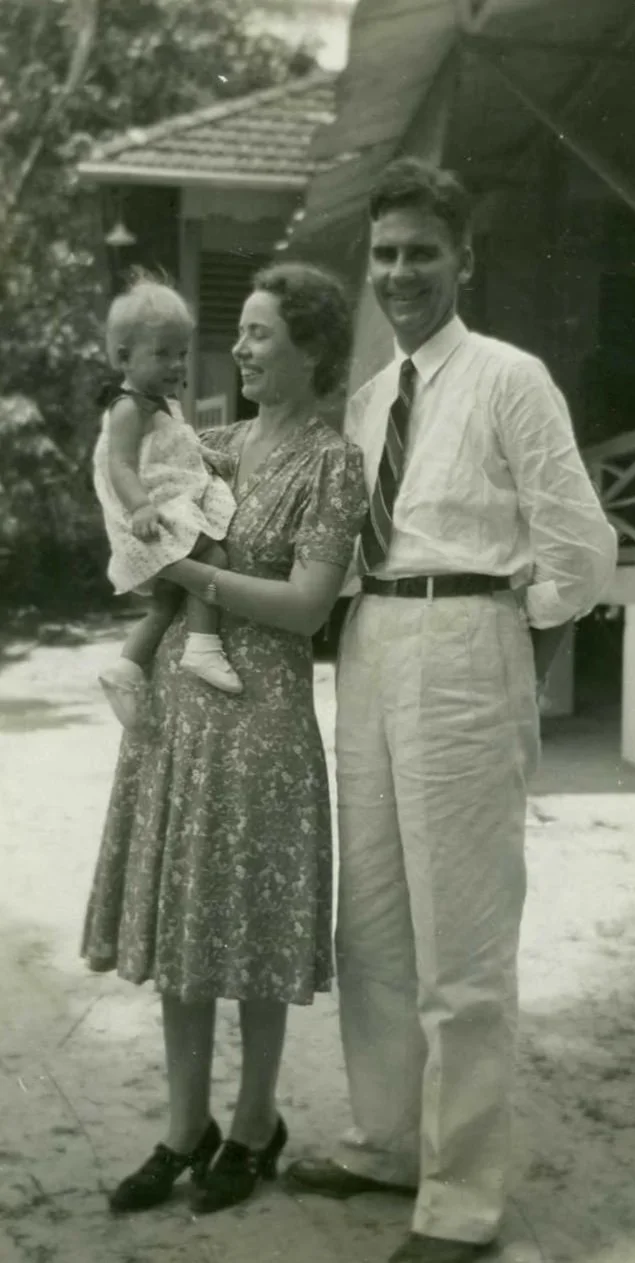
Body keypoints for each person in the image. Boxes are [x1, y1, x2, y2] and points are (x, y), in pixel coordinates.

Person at [286, 159, 618, 1262]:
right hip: (373, 642)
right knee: (372, 920)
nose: (400, 272)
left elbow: (580, 546)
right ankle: (386, 1142)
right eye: (385, 254)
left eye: (422, 251)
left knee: (462, 936)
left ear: (462, 258)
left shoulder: (511, 379)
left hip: (468, 643)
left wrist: (514, 640)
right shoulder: (373, 395)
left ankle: (464, 1199)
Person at [81, 261, 367, 1217]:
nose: (235, 348)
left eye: (255, 333)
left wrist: (197, 580)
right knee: (186, 926)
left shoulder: (332, 461)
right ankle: (182, 1126)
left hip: (263, 713)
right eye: (238, 332)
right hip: (179, 712)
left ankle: (252, 1123)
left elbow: (305, 605)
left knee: (252, 924)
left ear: (311, 350)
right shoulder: (214, 442)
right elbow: (130, 483)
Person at [94, 274, 243, 730]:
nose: (176, 365)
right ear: (123, 357)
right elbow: (120, 465)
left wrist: (208, 455)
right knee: (214, 553)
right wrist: (140, 506)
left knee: (165, 602)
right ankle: (203, 646)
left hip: (163, 504)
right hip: (150, 513)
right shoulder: (127, 408)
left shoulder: (159, 403)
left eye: (182, 354)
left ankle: (126, 667)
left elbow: (177, 446)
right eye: (162, 354)